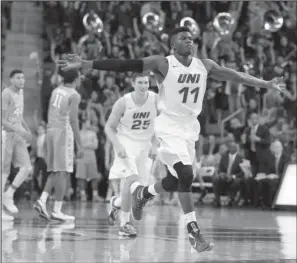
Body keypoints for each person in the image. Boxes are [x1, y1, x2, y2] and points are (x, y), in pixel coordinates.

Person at [58, 26, 285, 253]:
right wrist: (90, 64)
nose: (189, 41)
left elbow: (236, 76)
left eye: (191, 38)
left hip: (190, 129)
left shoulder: (204, 65)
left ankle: (144, 193)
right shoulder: (163, 63)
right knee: (186, 175)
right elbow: (126, 64)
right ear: (172, 45)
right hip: (167, 126)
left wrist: (265, 84)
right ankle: (194, 234)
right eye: (183, 38)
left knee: (177, 182)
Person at [105, 73, 158, 237]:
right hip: (126, 143)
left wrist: (156, 145)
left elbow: (161, 124)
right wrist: (117, 144)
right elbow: (108, 127)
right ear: (133, 83)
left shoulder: (155, 99)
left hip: (145, 145)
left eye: (146, 82)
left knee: (138, 191)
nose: (144, 86)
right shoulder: (123, 102)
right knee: (131, 179)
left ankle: (117, 202)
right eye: (140, 82)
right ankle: (125, 224)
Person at [33, 69, 83, 221]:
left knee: (56, 170)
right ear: (75, 79)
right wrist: (79, 144)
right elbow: (73, 120)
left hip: (50, 130)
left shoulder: (56, 90)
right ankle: (57, 210)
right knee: (63, 171)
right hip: (63, 132)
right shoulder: (74, 95)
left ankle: (42, 200)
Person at [2, 69, 33, 221]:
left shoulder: (20, 93)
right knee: (4, 172)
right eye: (18, 78)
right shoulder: (6, 94)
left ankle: (8, 195)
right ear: (11, 80)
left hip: (18, 133)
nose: (21, 80)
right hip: (6, 134)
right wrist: (19, 130)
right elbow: (2, 120)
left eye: (23, 78)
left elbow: (19, 115)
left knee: (27, 168)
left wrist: (27, 130)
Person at [75, 119, 102, 202]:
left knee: (94, 176)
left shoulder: (93, 133)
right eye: (87, 122)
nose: (88, 124)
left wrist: (84, 146)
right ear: (83, 123)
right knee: (81, 177)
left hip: (91, 156)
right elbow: (78, 146)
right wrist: (89, 144)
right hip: (81, 156)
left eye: (89, 122)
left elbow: (95, 146)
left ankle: (95, 195)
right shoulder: (78, 133)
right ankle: (83, 195)